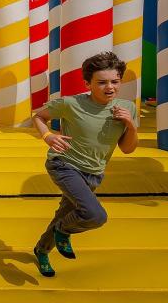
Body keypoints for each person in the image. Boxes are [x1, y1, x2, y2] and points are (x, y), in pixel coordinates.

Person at [31, 52, 137, 278]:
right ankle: (63, 231)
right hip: (65, 165)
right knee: (95, 215)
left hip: (93, 174)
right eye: (102, 82)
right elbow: (38, 117)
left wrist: (130, 125)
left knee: (65, 213)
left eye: (115, 81)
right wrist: (48, 136)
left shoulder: (126, 107)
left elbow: (127, 148)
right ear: (87, 83)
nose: (110, 87)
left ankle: (41, 249)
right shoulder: (72, 104)